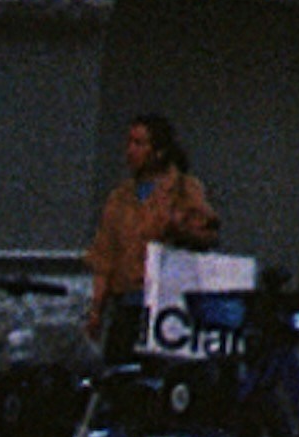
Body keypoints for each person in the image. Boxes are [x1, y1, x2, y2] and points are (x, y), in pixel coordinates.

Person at [89, 111, 223, 353]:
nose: (130, 151)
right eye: (129, 143)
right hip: (127, 303)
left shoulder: (183, 189)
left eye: (139, 144)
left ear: (158, 151)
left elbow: (208, 234)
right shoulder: (120, 197)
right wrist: (96, 309)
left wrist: (179, 229)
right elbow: (105, 256)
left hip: (167, 302)